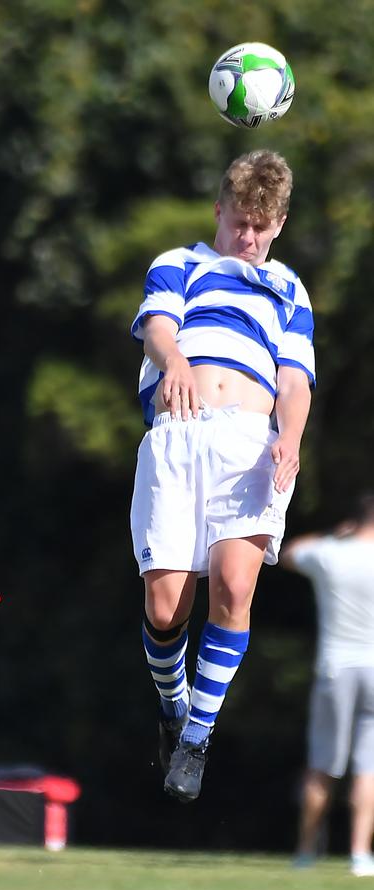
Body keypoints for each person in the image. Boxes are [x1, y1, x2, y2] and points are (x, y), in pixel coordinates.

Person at [129, 149, 315, 803]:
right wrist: (174, 359)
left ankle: (197, 736)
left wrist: (290, 437)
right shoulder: (180, 263)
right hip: (178, 436)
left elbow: (293, 380)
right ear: (220, 210)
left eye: (262, 227)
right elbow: (157, 326)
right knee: (165, 606)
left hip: (248, 443)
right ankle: (174, 709)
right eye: (239, 222)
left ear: (280, 223)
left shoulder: (289, 289)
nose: (249, 238)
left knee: (235, 587)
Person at [280, 494, 374, 877]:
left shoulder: (331, 554)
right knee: (368, 768)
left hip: (336, 667)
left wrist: (336, 535)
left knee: (322, 765)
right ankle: (359, 854)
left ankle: (306, 851)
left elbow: (289, 552)